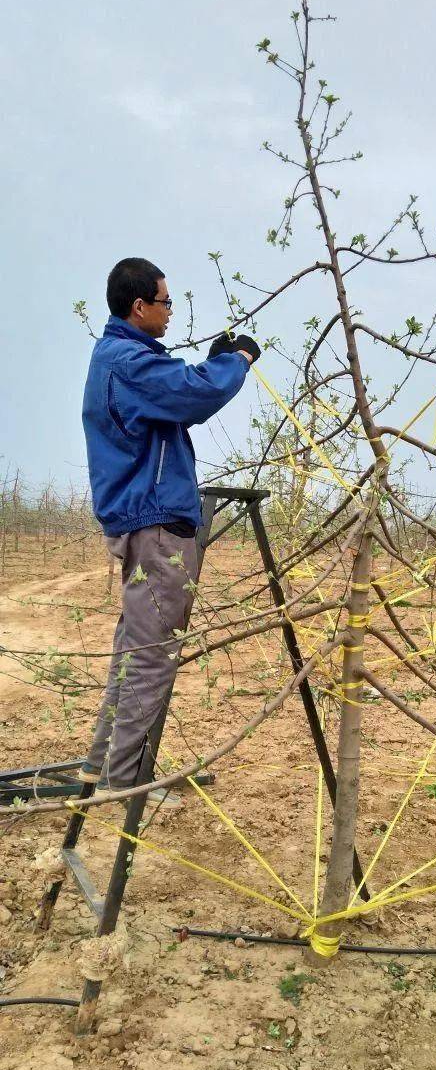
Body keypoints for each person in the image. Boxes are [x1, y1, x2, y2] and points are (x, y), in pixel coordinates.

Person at [79, 257, 260, 798]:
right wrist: (237, 361)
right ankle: (127, 781)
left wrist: (213, 363)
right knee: (152, 654)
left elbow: (179, 392)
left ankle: (105, 766)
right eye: (165, 302)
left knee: (137, 648)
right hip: (156, 527)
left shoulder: (122, 359)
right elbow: (194, 393)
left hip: (146, 521)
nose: (170, 311)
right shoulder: (128, 362)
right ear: (139, 306)